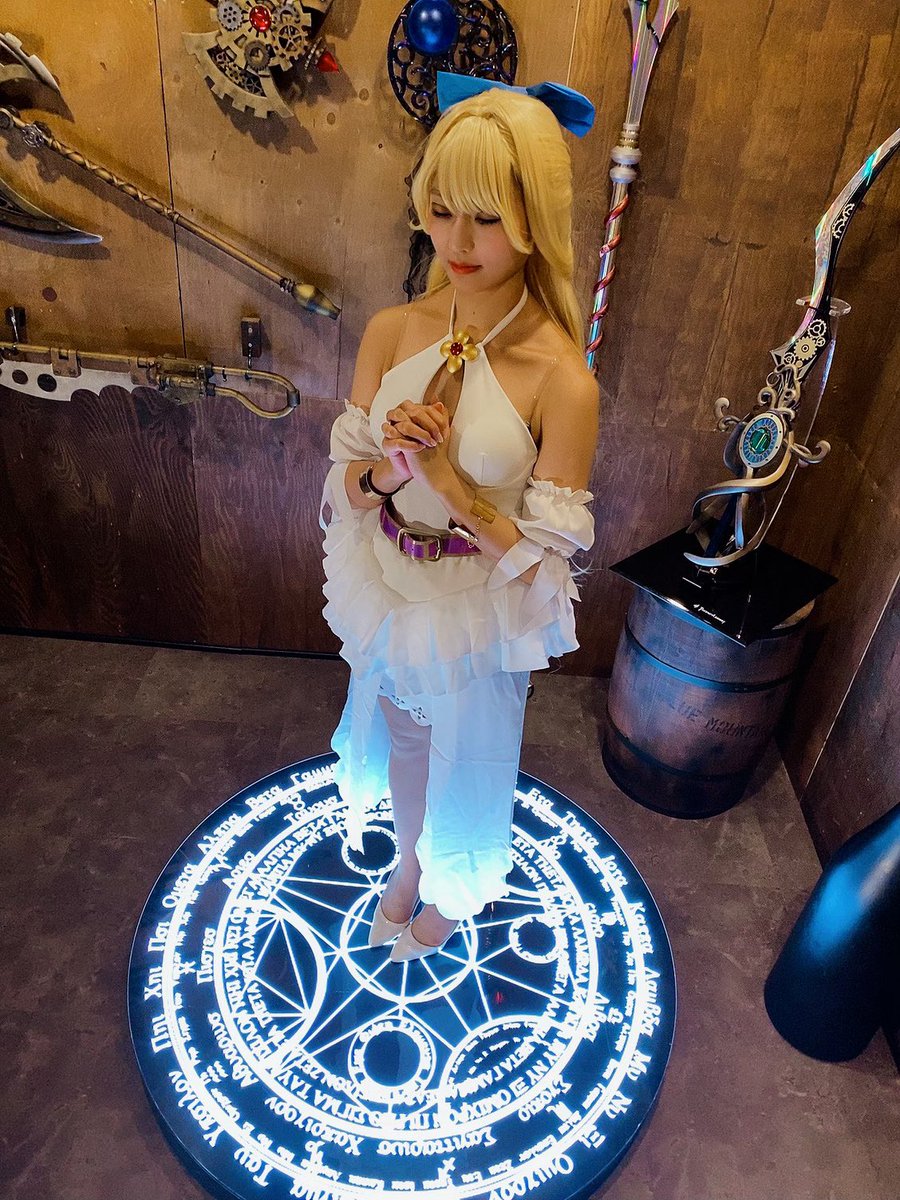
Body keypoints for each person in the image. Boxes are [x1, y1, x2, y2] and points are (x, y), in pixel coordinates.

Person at [320, 73, 599, 962]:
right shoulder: (391, 329)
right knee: (404, 737)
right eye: (441, 211)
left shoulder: (563, 378)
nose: (458, 241)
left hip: (477, 604)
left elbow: (548, 574)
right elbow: (340, 489)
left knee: (470, 761)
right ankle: (408, 864)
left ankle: (451, 890)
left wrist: (452, 486)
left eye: (486, 216)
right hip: (389, 582)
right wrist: (387, 470)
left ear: (534, 218)